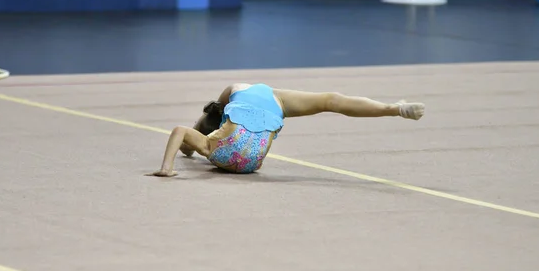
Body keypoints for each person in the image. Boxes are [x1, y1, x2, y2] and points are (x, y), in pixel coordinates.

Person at [147, 83, 425, 177]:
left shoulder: (213, 146)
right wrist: (168, 163)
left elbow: (188, 133)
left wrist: (168, 167)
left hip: (254, 153)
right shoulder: (233, 95)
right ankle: (393, 108)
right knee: (331, 101)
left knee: (329, 101)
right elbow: (187, 130)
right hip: (260, 100)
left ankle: (394, 108)